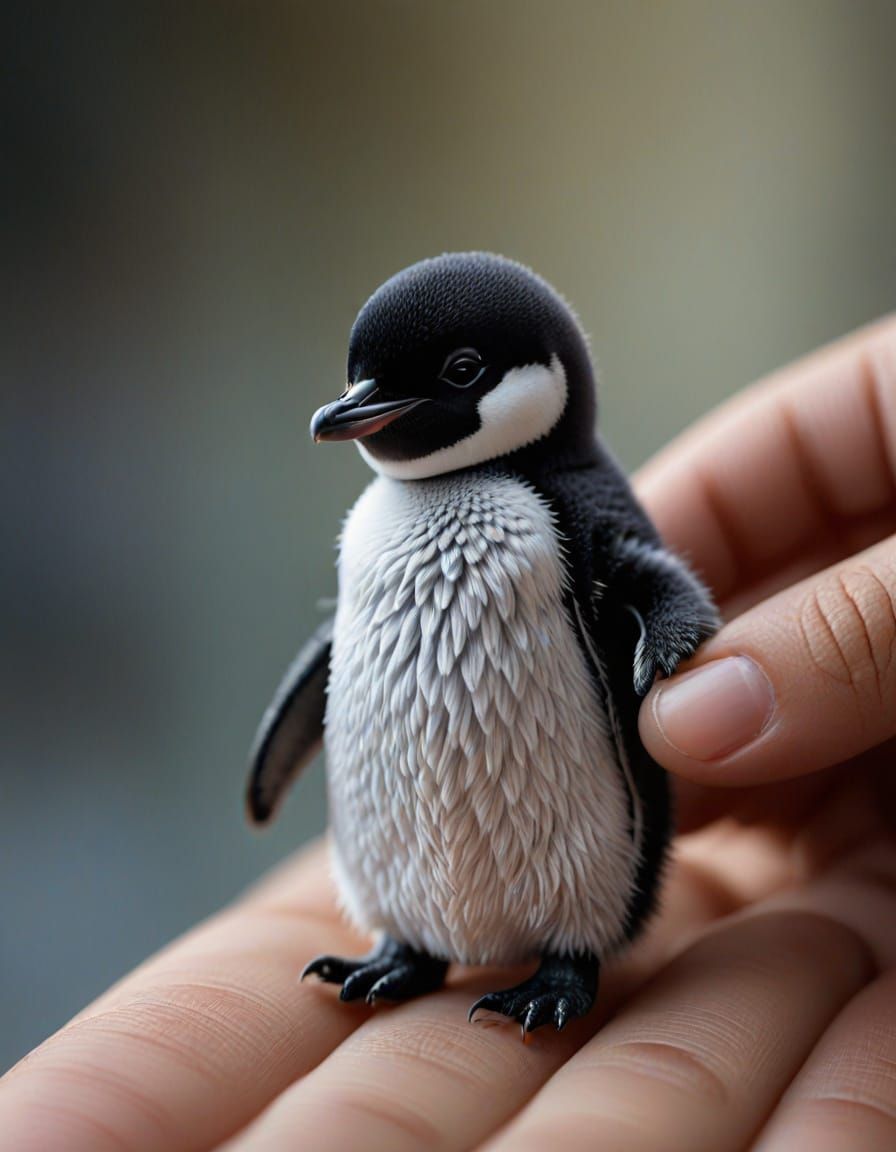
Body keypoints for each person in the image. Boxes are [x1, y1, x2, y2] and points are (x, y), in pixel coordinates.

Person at [2, 318, 894, 1152]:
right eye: (366, 387)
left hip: (585, 847)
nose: (359, 410)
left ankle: (568, 958)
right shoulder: (378, 529)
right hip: (412, 862)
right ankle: (409, 940)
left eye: (458, 375)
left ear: (537, 381)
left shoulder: (562, 511)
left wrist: (681, 651)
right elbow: (335, 666)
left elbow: (662, 591)